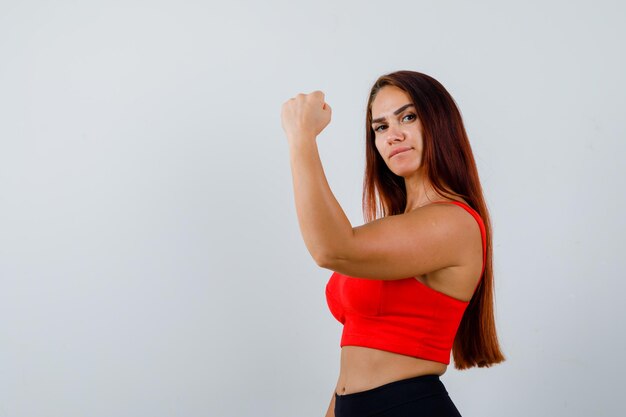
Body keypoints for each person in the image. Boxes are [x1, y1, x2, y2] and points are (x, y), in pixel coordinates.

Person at [280, 70, 505, 417]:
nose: (393, 135)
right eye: (380, 127)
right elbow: (354, 363)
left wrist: (301, 137)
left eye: (408, 117)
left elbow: (331, 249)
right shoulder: (395, 229)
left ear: (441, 124)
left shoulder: (454, 222)